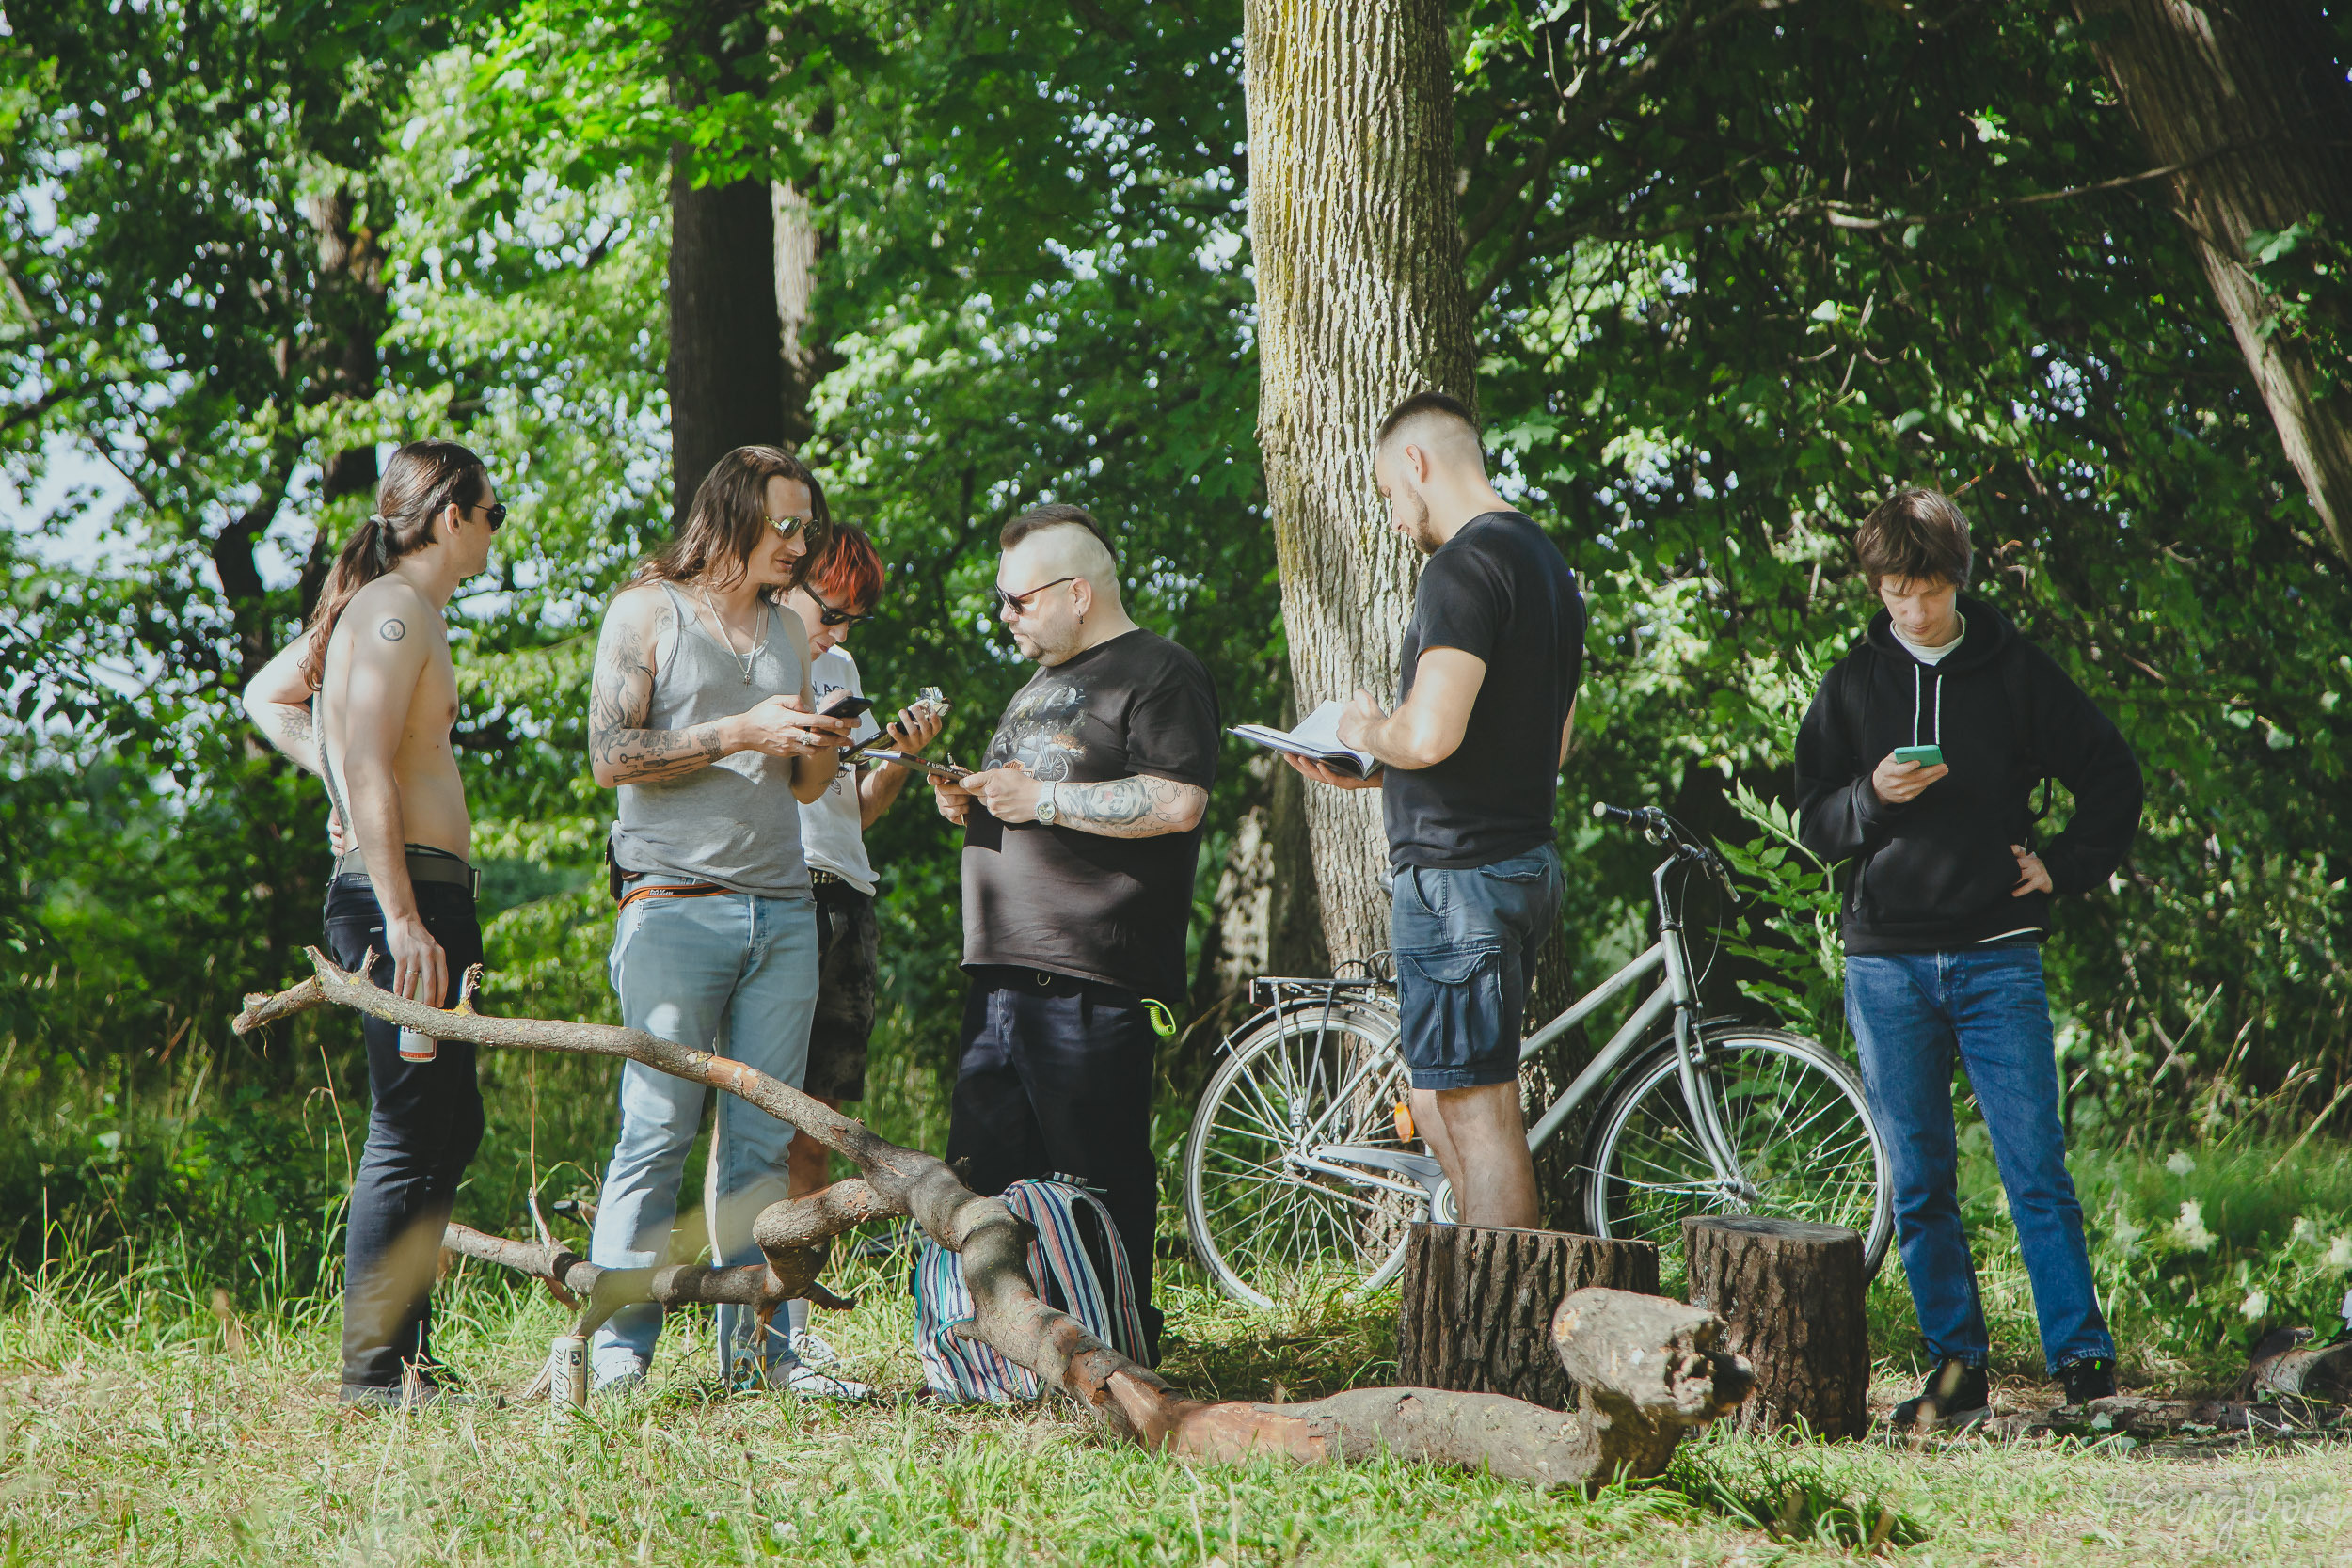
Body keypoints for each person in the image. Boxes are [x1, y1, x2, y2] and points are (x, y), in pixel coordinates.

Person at [1795, 485, 2142, 1428]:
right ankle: (1957, 1369)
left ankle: (2083, 1361)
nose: (1912, 609)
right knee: (1918, 1180)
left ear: (1958, 578)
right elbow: (1811, 818)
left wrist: (2061, 866)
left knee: (2037, 1169)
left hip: (1997, 955)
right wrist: (1868, 795)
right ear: (1876, 584)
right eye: (1895, 591)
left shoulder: (2015, 671)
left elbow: (2112, 773)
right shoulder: (1852, 682)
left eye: (1929, 590)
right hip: (1884, 963)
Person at [582, 444, 857, 1396]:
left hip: (783, 908)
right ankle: (615, 1354)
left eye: (806, 528)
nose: (798, 543)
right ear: (731, 516)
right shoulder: (646, 609)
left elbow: (802, 780)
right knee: (655, 1131)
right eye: (784, 524)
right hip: (670, 909)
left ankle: (760, 1356)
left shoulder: (791, 628)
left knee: (761, 1146)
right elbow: (612, 753)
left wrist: (823, 744)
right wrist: (741, 729)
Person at [242, 439, 506, 1408]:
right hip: (406, 900)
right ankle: (371, 1372)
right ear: (449, 516)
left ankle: (408, 1355)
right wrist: (400, 913)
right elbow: (364, 758)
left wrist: (345, 781)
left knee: (451, 1117)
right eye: (491, 513)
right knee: (408, 1124)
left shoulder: (393, 609)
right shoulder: (393, 611)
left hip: (425, 892)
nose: (494, 532)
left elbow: (276, 700)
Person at [1286, 392, 1583, 1230]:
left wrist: (1360, 728)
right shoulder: (1549, 566)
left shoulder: (1461, 564)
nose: (1391, 514)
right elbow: (1541, 745)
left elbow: (1428, 729)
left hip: (1460, 879)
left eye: (1386, 491)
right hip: (1510, 864)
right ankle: (1483, 1304)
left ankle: (1506, 1337)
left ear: (1416, 463)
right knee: (1438, 1090)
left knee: (1476, 1109)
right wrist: (1378, 772)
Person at [930, 504, 1219, 1356]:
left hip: (1089, 976)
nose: (1006, 616)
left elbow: (1177, 801)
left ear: (1077, 593)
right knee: (983, 1184)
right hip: (998, 978)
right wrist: (971, 800)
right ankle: (997, 1349)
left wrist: (1043, 799)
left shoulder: (1159, 671)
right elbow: (1027, 799)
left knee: (1098, 1181)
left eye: (1017, 600)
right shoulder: (1035, 686)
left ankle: (1120, 1351)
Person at [774, 523, 946, 1367]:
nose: (838, 635)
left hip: (850, 893)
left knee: (827, 1120)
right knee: (765, 1121)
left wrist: (902, 759)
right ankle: (755, 1328)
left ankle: (794, 1336)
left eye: (852, 620)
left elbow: (858, 806)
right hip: (780, 891)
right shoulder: (758, 652)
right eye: (830, 612)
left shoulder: (838, 667)